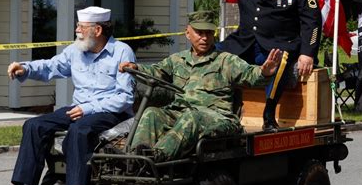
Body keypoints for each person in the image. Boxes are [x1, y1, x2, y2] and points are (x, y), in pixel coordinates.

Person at [166, 0, 322, 131]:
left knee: (280, 63)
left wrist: (307, 53)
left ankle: (269, 114)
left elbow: (312, 21)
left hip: (279, 44)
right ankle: (205, 104)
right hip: (245, 42)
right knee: (212, 54)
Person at [2, 6, 136, 185]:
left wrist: (88, 109)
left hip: (109, 112)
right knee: (33, 126)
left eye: (81, 27)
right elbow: (50, 67)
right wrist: (24, 69)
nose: (77, 30)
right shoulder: (75, 50)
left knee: (79, 130)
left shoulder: (122, 52)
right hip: (79, 109)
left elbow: (124, 98)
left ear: (98, 30)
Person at [119, 10, 282, 162]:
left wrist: (264, 72)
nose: (205, 38)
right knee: (152, 113)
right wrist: (136, 68)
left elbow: (250, 75)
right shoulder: (177, 60)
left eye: (209, 33)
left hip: (218, 117)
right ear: (187, 33)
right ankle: (135, 157)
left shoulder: (225, 60)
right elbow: (155, 71)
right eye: (200, 33)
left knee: (191, 118)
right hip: (181, 112)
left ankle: (156, 157)